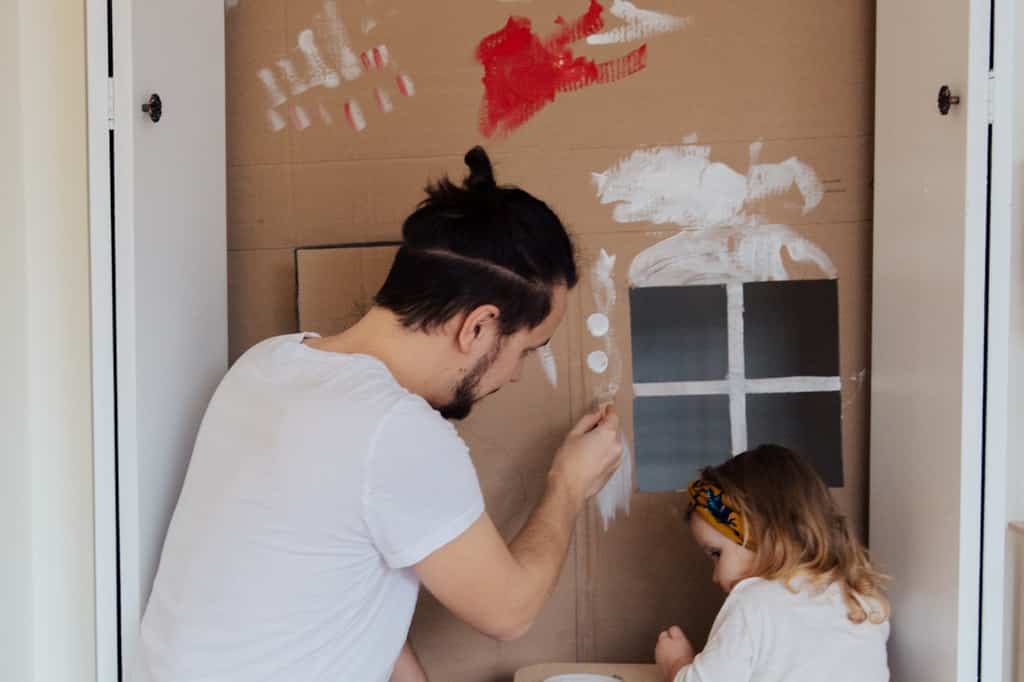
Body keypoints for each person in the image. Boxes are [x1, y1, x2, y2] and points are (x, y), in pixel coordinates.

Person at [137, 147, 623, 682]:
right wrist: (569, 484)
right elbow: (509, 611)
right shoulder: (394, 431)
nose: (515, 375)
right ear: (479, 327)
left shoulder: (269, 364)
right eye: (528, 349)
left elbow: (335, 585)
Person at [654, 444, 890, 682]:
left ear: (762, 536)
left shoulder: (753, 603)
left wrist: (676, 664)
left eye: (716, 553)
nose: (715, 576)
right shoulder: (865, 600)